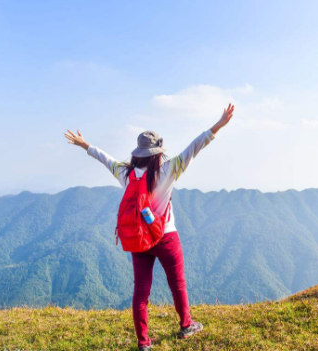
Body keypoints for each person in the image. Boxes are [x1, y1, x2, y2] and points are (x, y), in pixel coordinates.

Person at [64, 103, 235, 350]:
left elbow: (106, 159)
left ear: (138, 153)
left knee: (141, 292)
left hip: (138, 240)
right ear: (157, 153)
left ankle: (144, 342)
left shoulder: (126, 174)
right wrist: (218, 125)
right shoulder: (169, 169)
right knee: (177, 283)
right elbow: (195, 147)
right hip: (166, 237)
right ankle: (186, 325)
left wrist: (85, 145)